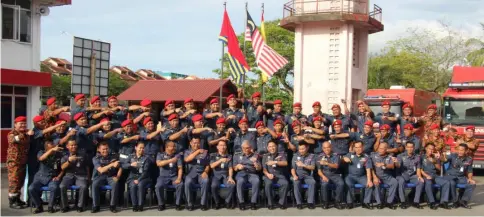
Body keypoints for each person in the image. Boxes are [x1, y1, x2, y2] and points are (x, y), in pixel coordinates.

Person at [28, 140, 64, 214]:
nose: (53, 145)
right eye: (51, 145)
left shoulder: (59, 154)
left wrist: (59, 177)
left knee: (53, 187)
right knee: (31, 188)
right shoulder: (41, 152)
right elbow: (41, 158)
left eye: (53, 144)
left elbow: (63, 168)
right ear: (46, 147)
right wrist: (51, 150)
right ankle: (39, 205)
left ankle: (50, 206)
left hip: (52, 177)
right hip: (40, 177)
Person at [28, 116, 65, 186]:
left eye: (44, 122)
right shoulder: (34, 131)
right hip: (34, 158)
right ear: (35, 124)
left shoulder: (43, 131)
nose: (43, 124)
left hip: (43, 155)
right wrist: (58, 125)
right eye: (41, 122)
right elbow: (46, 130)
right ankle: (31, 196)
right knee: (33, 178)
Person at [59, 140, 90, 213]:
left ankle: (80, 206)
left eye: (75, 145)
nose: (74, 146)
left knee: (83, 186)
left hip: (80, 175)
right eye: (72, 145)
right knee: (62, 186)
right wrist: (69, 161)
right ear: (67, 146)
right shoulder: (65, 155)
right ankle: (65, 206)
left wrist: (88, 177)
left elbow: (87, 167)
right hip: (69, 176)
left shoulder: (83, 154)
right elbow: (62, 167)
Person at [91, 142, 122, 213]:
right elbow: (101, 170)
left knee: (115, 183)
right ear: (98, 149)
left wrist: (118, 177)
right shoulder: (95, 158)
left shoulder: (114, 156)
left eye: (107, 149)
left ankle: (113, 205)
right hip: (100, 176)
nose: (105, 151)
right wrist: (111, 164)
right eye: (103, 149)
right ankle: (96, 206)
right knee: (94, 184)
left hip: (111, 176)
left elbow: (120, 167)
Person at [443, 144, 476, 209]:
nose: (459, 152)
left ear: (466, 151)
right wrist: (442, 157)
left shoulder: (469, 159)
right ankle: (455, 201)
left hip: (461, 177)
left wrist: (470, 178)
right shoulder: (453, 155)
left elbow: (470, 171)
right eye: (458, 150)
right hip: (451, 176)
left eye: (462, 150)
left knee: (472, 184)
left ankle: (463, 201)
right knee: (452, 183)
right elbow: (445, 160)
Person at [7, 116, 30, 209]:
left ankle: (17, 199)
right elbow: (12, 140)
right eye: (21, 124)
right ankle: (12, 201)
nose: (23, 125)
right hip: (14, 162)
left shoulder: (26, 133)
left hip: (23, 162)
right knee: (14, 181)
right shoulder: (12, 133)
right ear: (15, 125)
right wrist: (24, 134)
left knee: (20, 181)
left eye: (24, 123)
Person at [342, 141, 373, 209]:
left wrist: (369, 180)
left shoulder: (366, 157)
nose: (358, 149)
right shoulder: (350, 154)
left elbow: (368, 170)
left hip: (361, 176)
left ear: (363, 147)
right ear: (354, 148)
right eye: (356, 147)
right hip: (350, 176)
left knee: (369, 185)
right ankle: (350, 202)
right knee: (347, 183)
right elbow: (343, 159)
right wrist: (344, 159)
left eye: (359, 147)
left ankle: (366, 202)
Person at [122, 142, 152, 212]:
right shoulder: (130, 156)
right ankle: (134, 205)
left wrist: (139, 179)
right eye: (140, 148)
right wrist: (131, 164)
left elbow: (145, 171)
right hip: (132, 177)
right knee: (133, 185)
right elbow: (123, 165)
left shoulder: (146, 158)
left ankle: (140, 205)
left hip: (144, 178)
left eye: (143, 148)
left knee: (140, 185)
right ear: (136, 148)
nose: (141, 149)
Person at [420, 143, 451, 210]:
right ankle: (431, 202)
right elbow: (420, 169)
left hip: (435, 175)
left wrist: (434, 162)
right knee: (428, 183)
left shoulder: (435, 157)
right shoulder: (421, 157)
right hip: (426, 175)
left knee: (446, 182)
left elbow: (439, 169)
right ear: (426, 148)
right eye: (429, 148)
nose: (431, 150)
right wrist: (426, 175)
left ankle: (443, 202)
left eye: (432, 149)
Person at [155, 141, 184, 211]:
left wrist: (179, 178)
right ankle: (161, 204)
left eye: (174, 146)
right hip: (163, 177)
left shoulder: (177, 156)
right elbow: (158, 164)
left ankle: (178, 204)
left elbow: (180, 168)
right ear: (167, 147)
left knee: (180, 184)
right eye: (172, 146)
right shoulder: (160, 155)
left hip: (173, 176)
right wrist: (170, 160)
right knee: (158, 186)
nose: (174, 147)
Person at [234, 141, 262, 210]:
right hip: (241, 173)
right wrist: (237, 166)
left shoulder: (255, 155)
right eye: (244, 148)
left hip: (252, 173)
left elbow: (259, 168)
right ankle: (241, 202)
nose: (246, 149)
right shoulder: (237, 155)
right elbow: (234, 168)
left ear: (250, 148)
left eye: (247, 148)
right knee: (240, 181)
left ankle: (253, 202)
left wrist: (257, 166)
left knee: (256, 181)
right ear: (242, 148)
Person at [184, 137, 210, 211]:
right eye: (194, 143)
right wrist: (198, 151)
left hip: (201, 173)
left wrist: (205, 171)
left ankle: (203, 203)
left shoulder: (205, 152)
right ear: (191, 143)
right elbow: (187, 159)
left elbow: (208, 165)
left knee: (206, 181)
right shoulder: (187, 152)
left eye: (198, 143)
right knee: (188, 182)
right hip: (190, 174)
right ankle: (190, 203)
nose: (196, 144)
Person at [395, 142, 424, 209]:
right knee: (401, 181)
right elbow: (398, 165)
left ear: (413, 148)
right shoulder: (400, 156)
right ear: (406, 148)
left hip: (412, 176)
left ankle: (416, 202)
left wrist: (419, 176)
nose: (410, 149)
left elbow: (418, 168)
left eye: (411, 147)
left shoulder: (417, 157)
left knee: (420, 182)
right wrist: (396, 162)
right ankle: (402, 202)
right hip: (402, 175)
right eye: (408, 147)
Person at [317, 142, 345, 209]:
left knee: (341, 183)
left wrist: (326, 163)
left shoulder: (336, 155)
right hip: (324, 174)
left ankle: (337, 202)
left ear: (331, 147)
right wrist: (323, 177)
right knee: (324, 184)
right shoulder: (319, 156)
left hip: (335, 174)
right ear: (322, 148)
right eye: (325, 148)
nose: (326, 149)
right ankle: (325, 202)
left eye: (328, 147)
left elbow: (336, 166)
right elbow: (319, 171)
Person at [262, 141, 289, 210]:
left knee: (285, 183)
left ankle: (281, 202)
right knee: (268, 183)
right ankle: (270, 203)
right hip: (268, 175)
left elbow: (285, 163)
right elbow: (264, 169)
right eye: (270, 147)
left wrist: (275, 162)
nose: (272, 148)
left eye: (273, 146)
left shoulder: (281, 154)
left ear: (276, 147)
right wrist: (268, 174)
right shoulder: (265, 156)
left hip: (279, 175)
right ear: (267, 148)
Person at [371, 142, 398, 209]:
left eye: (382, 149)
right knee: (376, 183)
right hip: (377, 176)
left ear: (386, 149)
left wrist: (384, 164)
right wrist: (374, 177)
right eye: (379, 148)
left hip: (387, 176)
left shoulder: (390, 156)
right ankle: (379, 203)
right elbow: (369, 167)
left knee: (394, 182)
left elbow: (392, 166)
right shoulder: (373, 155)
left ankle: (389, 202)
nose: (380, 150)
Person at [210, 140, 236, 210]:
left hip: (226, 176)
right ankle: (217, 202)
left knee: (232, 185)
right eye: (221, 145)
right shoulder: (213, 155)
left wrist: (230, 177)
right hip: (216, 176)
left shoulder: (229, 156)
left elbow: (230, 168)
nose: (223, 147)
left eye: (224, 145)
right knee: (213, 186)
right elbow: (212, 166)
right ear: (217, 147)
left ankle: (227, 201)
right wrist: (220, 160)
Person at [291, 143, 316, 209]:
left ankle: (310, 202)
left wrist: (304, 165)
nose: (301, 150)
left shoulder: (311, 156)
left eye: (303, 149)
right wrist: (294, 175)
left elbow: (313, 167)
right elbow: (292, 168)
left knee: (312, 182)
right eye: (300, 149)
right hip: (297, 175)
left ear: (307, 148)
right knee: (296, 183)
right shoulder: (295, 156)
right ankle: (299, 203)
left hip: (307, 176)